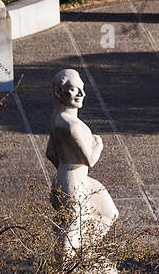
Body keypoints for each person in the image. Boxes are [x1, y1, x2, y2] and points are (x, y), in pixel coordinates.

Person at [45, 68, 118, 262]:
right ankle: (66, 267)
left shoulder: (58, 118)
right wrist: (99, 145)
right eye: (74, 89)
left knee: (108, 213)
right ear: (58, 93)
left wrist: (63, 171)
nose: (82, 94)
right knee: (74, 224)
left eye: (82, 89)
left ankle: (82, 253)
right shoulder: (71, 125)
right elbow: (90, 160)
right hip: (74, 180)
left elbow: (50, 153)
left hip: (73, 177)